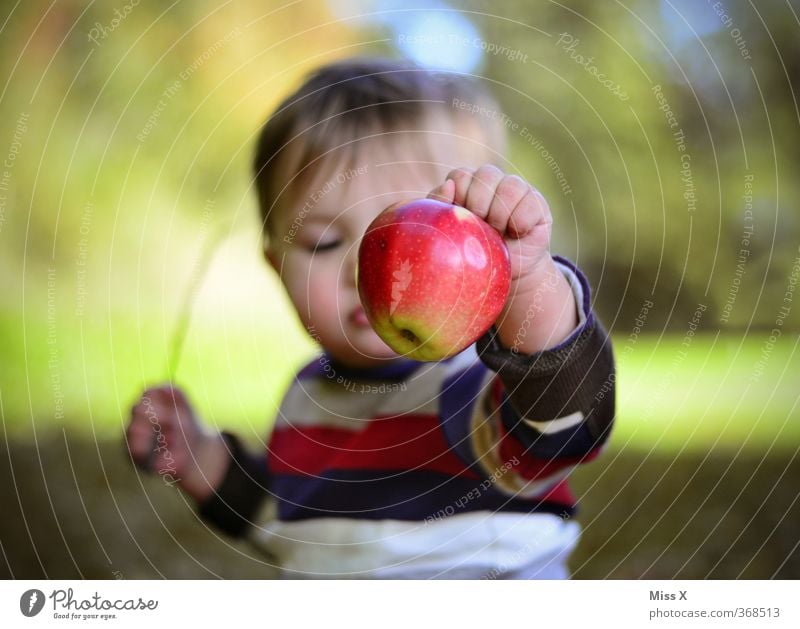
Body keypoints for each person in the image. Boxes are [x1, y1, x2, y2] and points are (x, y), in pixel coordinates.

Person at [126, 57, 615, 579]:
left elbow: (563, 423)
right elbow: (292, 523)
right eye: (324, 242)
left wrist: (531, 283)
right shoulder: (308, 398)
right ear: (276, 267)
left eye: (414, 234)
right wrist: (200, 457)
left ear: (485, 246)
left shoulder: (475, 384)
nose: (365, 268)